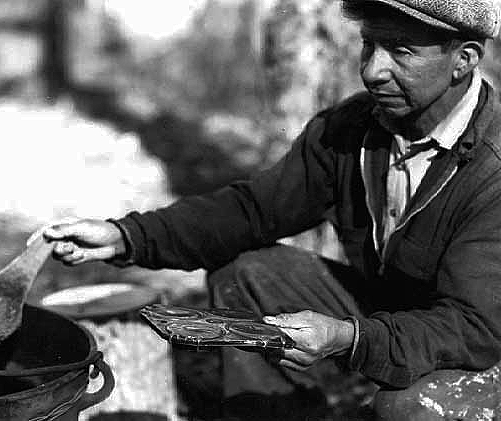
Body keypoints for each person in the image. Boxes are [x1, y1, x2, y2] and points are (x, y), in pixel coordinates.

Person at [45, 0, 501, 419]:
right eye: (369, 44)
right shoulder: (354, 128)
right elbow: (253, 211)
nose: (372, 71)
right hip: (399, 315)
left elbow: (474, 329)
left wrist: (350, 338)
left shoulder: (493, 170)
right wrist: (127, 237)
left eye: (400, 51)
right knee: (247, 274)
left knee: (408, 407)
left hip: (482, 347)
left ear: (463, 60)